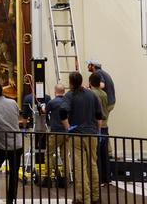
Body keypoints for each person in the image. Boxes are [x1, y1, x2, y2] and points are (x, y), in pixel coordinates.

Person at [60, 72, 103, 204]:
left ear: (71, 82)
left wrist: (68, 128)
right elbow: (99, 115)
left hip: (77, 135)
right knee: (92, 164)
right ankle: (95, 196)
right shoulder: (92, 94)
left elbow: (62, 112)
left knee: (79, 167)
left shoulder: (69, 96)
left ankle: (84, 198)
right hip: (92, 134)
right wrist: (98, 131)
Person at [43, 84, 71, 187]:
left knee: (48, 154)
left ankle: (48, 178)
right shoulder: (68, 102)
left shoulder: (52, 102)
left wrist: (42, 107)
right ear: (63, 91)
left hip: (56, 132)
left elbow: (45, 111)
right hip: (67, 132)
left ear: (55, 91)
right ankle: (66, 179)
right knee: (65, 156)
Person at [89, 72, 111, 184]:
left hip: (96, 126)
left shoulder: (92, 94)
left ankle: (99, 178)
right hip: (105, 125)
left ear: (90, 82)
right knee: (104, 153)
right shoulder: (104, 94)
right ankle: (107, 178)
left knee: (95, 154)